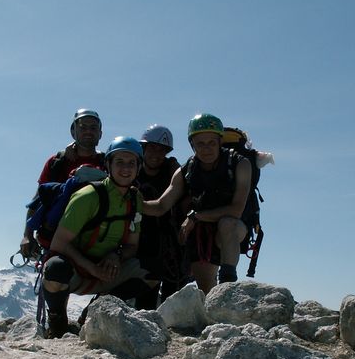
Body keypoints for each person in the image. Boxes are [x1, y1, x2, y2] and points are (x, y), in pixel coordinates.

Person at [41, 136, 155, 338]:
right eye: (119, 162)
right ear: (108, 164)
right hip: (77, 270)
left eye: (131, 163)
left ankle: (95, 313)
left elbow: (132, 245)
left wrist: (116, 256)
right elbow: (59, 243)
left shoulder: (135, 199)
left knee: (153, 271)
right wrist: (92, 268)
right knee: (55, 269)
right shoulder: (88, 196)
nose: (126, 168)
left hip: (108, 269)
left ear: (139, 167)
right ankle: (58, 322)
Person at [143, 113, 252, 294]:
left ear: (220, 141)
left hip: (232, 229)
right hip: (202, 237)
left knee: (227, 224)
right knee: (206, 292)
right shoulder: (187, 170)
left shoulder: (240, 164)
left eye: (211, 143)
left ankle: (228, 287)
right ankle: (215, 303)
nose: (206, 149)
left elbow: (236, 210)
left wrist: (195, 216)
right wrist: (132, 202)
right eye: (200, 144)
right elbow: (161, 206)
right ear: (192, 144)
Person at [19, 109, 106, 259]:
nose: (88, 131)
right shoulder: (56, 162)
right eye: (83, 127)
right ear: (73, 132)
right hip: (55, 240)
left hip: (93, 241)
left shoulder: (108, 163)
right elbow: (38, 200)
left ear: (100, 134)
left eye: (93, 128)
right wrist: (27, 235)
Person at [135, 124, 189, 308]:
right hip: (140, 240)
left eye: (161, 150)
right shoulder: (132, 169)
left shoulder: (174, 172)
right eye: (152, 148)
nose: (156, 154)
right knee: (146, 295)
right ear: (143, 148)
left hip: (170, 241)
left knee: (172, 295)